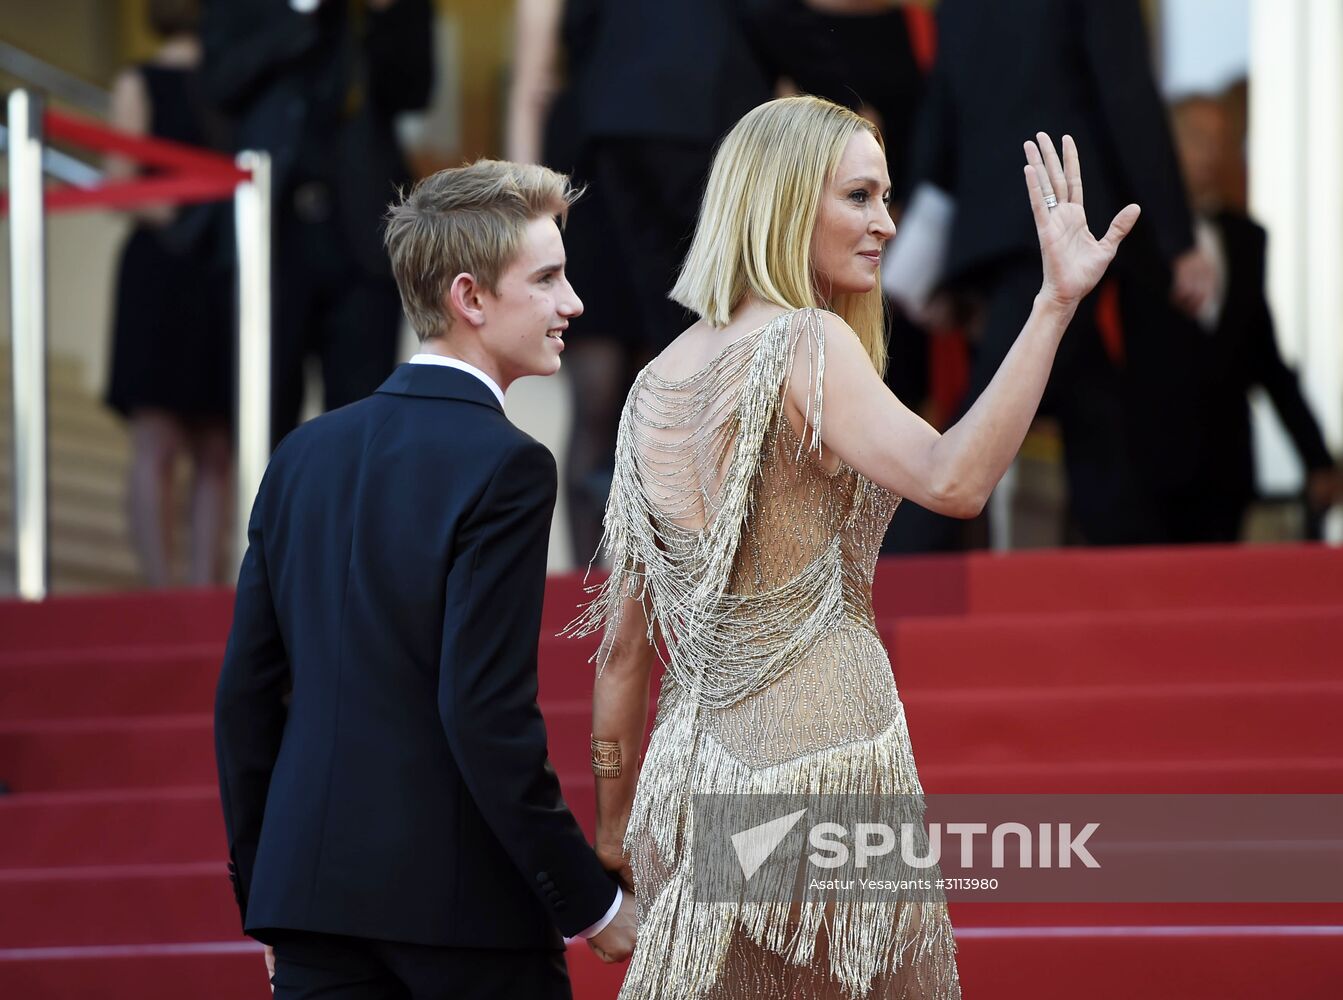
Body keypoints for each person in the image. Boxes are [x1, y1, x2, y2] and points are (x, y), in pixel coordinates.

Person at [567, 96, 1137, 998]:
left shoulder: (651, 385)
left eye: (885, 196)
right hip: (826, 759)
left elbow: (622, 656)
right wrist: (1052, 304)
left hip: (683, 785)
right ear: (788, 201)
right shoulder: (807, 342)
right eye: (860, 197)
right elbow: (954, 481)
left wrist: (609, 831)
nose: (887, 223)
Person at [214, 161, 636, 1000]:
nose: (573, 303)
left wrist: (268, 897)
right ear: (469, 297)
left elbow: (245, 698)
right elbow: (483, 713)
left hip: (310, 908)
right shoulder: (507, 464)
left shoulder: (301, 455)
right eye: (547, 279)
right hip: (466, 920)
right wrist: (589, 903)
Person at [893, 0, 1212, 550]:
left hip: (991, 232)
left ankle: (1133, 567)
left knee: (1093, 412)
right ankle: (895, 566)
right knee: (982, 421)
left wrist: (925, 241)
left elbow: (938, 115)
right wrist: (1177, 240)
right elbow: (1127, 94)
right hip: (1061, 225)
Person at [506, 0, 773, 565]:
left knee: (655, 395)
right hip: (592, 189)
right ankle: (600, 590)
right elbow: (532, 89)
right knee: (610, 393)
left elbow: (533, 91)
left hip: (662, 182)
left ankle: (646, 588)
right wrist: (525, 219)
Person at [201, 0, 434, 447]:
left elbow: (415, 91)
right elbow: (219, 82)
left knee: (362, 427)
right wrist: (301, 11)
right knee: (263, 418)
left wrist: (384, 14)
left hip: (363, 235)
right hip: (270, 228)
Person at [1120, 94, 1341, 542]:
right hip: (1142, 470)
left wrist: (1316, 457)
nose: (1212, 152)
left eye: (1222, 140)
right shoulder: (1126, 237)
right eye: (1198, 138)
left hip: (1225, 471)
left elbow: (1265, 357)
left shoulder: (1247, 240)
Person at [105, 0, 233, 587]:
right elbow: (120, 184)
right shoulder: (140, 81)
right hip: (164, 270)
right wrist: (195, 215)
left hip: (220, 272)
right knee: (157, 438)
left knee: (216, 445)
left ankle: (204, 597)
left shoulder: (236, 80)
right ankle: (160, 594)